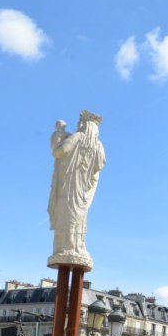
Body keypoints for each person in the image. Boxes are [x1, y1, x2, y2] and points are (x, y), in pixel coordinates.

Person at [48, 111, 106, 269]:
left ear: (83, 125)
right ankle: (77, 246)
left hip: (70, 185)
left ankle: (66, 247)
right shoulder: (98, 145)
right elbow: (100, 164)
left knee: (67, 215)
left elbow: (60, 152)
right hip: (84, 190)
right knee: (79, 218)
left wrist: (59, 136)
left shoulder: (78, 138)